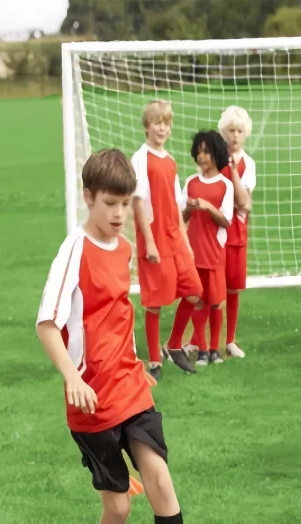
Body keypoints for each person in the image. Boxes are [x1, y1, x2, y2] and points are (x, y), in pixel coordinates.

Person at [36, 148, 214, 524]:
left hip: (131, 385)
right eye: (109, 204)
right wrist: (72, 379)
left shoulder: (126, 250)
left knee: (159, 478)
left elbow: (116, 315)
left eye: (125, 204)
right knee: (118, 504)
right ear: (88, 197)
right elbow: (47, 324)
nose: (118, 215)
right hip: (89, 398)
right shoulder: (73, 252)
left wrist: (136, 363)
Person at [131, 100, 200, 380]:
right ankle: (155, 362)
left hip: (175, 239)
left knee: (195, 291)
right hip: (155, 239)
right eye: (157, 122)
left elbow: (175, 203)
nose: (162, 128)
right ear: (147, 127)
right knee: (155, 302)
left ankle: (173, 344)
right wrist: (148, 241)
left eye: (166, 123)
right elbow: (137, 203)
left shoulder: (170, 161)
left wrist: (185, 241)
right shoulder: (141, 158)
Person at [166, 131, 233, 368]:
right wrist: (191, 209)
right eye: (199, 151)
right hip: (193, 251)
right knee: (197, 300)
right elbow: (182, 216)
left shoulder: (225, 185)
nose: (202, 157)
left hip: (214, 250)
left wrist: (208, 207)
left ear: (217, 153)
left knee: (215, 302)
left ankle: (215, 349)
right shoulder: (191, 183)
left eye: (207, 151)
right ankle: (202, 350)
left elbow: (226, 221)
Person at [219, 105, 257, 359]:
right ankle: (205, 341)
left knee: (233, 289)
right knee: (210, 290)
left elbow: (243, 201)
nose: (234, 135)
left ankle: (229, 340)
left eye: (239, 131)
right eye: (231, 130)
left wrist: (232, 172)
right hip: (214, 234)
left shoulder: (248, 165)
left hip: (237, 233)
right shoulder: (213, 158)